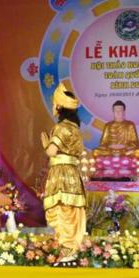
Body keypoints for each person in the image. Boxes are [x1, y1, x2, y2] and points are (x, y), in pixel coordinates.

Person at [41, 83, 87, 267]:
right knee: (72, 212)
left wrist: (46, 144)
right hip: (73, 175)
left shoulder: (61, 128)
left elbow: (52, 151)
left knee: (61, 211)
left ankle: (67, 251)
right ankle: (71, 251)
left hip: (60, 174)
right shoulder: (76, 129)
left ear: (59, 107)